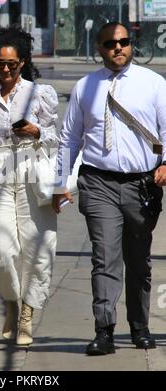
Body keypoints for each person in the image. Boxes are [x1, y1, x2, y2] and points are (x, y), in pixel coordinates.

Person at [53, 22, 166, 355]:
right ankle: (104, 330)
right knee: (104, 259)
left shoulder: (154, 84)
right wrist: (60, 183)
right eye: (110, 44)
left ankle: (140, 327)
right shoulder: (85, 87)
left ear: (131, 45)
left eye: (124, 42)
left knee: (138, 259)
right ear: (99, 48)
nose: (118, 48)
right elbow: (69, 138)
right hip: (98, 182)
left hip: (142, 186)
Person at [0, 27, 59, 345]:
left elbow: (59, 140)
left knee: (37, 250)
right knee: (1, 249)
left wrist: (37, 132)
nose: (4, 70)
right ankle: (10, 302)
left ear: (23, 62)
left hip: (33, 172)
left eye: (11, 64)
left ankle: (27, 316)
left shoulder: (39, 94)